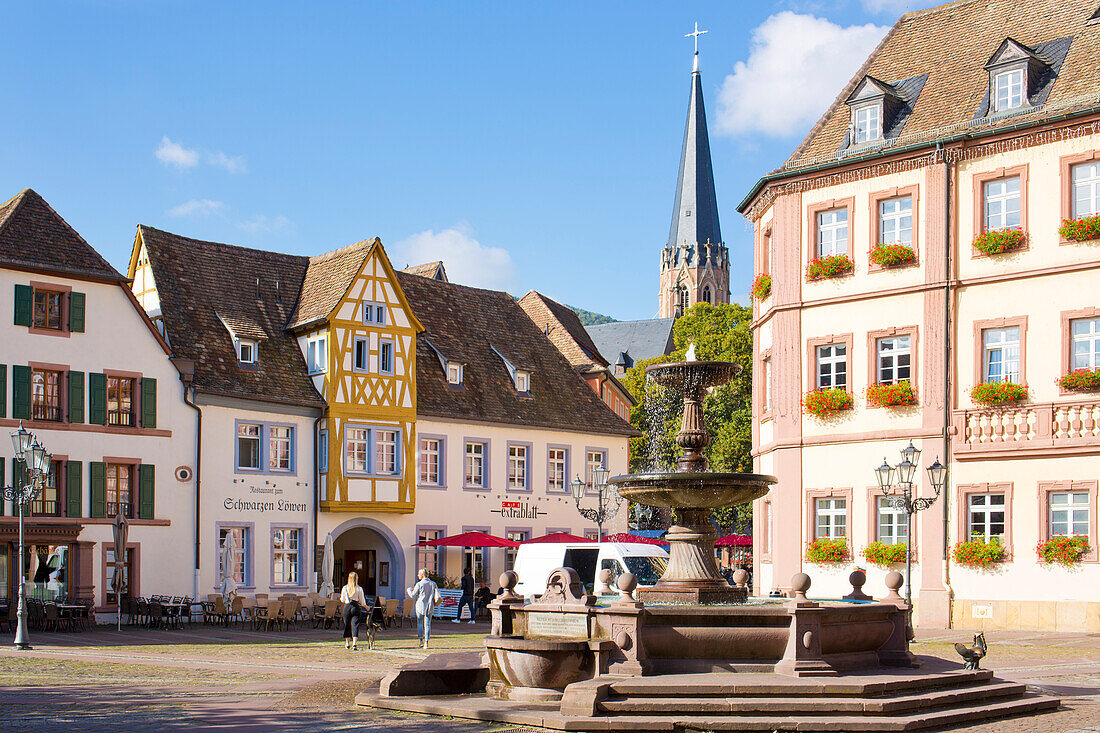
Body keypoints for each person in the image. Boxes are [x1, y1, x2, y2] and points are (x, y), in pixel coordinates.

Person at [406, 568, 441, 648]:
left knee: (420, 623)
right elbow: (437, 594)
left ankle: (421, 640)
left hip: (420, 605)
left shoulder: (419, 584)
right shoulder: (433, 584)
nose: (418, 575)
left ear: (422, 575)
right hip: (430, 605)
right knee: (427, 624)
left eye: (419, 574)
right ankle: (426, 642)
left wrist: (409, 590)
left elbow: (412, 595)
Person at [340, 571, 367, 651]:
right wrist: (366, 607)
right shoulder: (359, 589)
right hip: (356, 607)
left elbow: (342, 599)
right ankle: (354, 643)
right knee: (355, 625)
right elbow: (362, 601)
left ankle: (347, 643)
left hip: (347, 606)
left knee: (347, 625)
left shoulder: (345, 588)